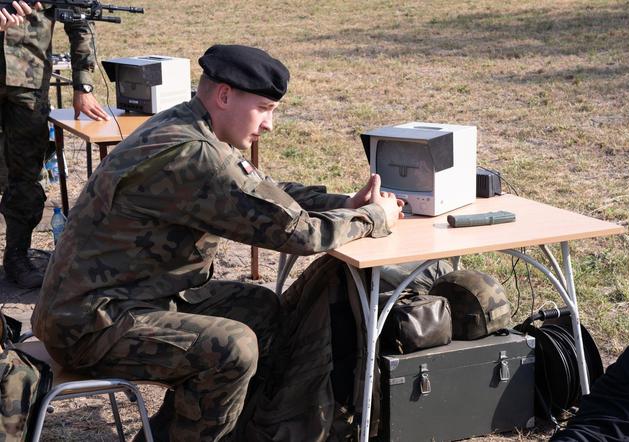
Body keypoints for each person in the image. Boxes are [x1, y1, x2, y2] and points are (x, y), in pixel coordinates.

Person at [31, 44, 403, 441]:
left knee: (259, 309)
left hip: (121, 299)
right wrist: (374, 218)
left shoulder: (186, 125)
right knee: (232, 348)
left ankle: (197, 430)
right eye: (263, 108)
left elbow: (259, 191)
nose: (269, 125)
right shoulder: (194, 153)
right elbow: (299, 234)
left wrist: (342, 204)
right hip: (88, 326)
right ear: (224, 96)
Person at [0, 1, 109, 289]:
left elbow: (79, 18)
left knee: (25, 176)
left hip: (28, 85)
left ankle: (16, 257)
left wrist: (82, 85)